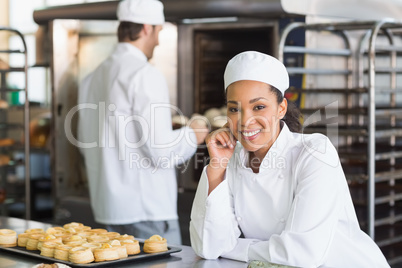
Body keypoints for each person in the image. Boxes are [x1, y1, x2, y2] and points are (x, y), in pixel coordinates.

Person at [189, 51, 390, 267]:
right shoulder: (230, 160)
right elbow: (207, 246)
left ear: (281, 108)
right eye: (234, 108)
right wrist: (217, 168)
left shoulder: (314, 152)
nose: (246, 120)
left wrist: (232, 247)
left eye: (259, 107)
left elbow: (302, 254)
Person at [77, 0, 207, 245]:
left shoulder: (91, 78)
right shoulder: (144, 74)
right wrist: (193, 134)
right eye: (159, 31)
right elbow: (160, 151)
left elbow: (89, 143)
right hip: (147, 212)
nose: (158, 40)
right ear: (147, 28)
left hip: (108, 210)